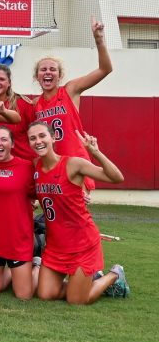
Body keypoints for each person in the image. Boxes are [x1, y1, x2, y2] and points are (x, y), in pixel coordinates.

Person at [28, 121, 128, 304]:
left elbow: (117, 178)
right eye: (33, 138)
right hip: (56, 246)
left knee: (77, 301)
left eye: (42, 136)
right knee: (45, 294)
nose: (38, 141)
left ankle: (115, 274)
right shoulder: (35, 166)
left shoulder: (73, 164)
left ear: (53, 137)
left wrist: (95, 152)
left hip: (82, 243)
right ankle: (81, 282)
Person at [33, 16, 113, 190]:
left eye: (53, 69)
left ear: (59, 76)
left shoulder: (70, 90)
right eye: (43, 69)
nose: (48, 72)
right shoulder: (35, 104)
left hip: (75, 163)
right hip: (52, 165)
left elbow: (105, 69)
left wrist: (99, 39)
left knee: (76, 214)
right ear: (37, 76)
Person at [0, 126, 38, 300]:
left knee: (23, 295)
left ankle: (37, 266)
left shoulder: (27, 167)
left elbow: (44, 189)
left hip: (18, 239)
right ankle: (13, 272)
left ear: (12, 144)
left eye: (4, 139)